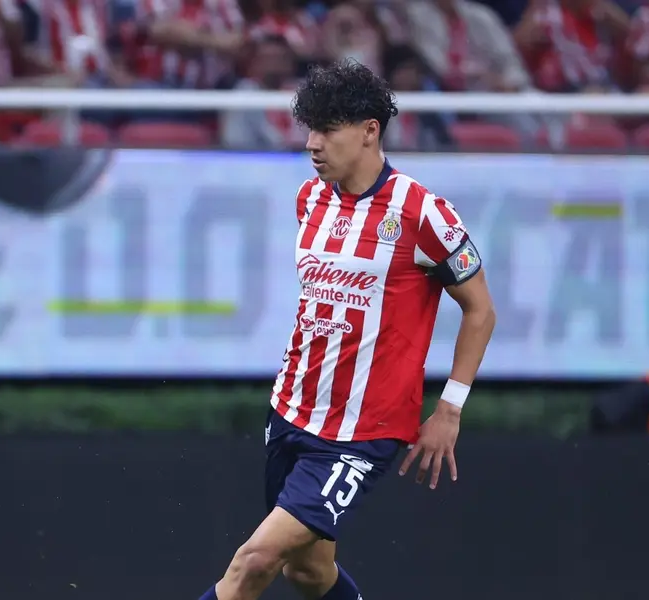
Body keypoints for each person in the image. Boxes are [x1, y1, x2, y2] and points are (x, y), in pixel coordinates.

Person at [198, 59, 496, 600]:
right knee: (308, 572)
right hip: (291, 411)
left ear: (369, 131)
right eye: (309, 128)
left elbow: (480, 310)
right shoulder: (309, 199)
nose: (313, 143)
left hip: (362, 431)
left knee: (254, 561)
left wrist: (450, 408)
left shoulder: (423, 213)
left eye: (328, 129)